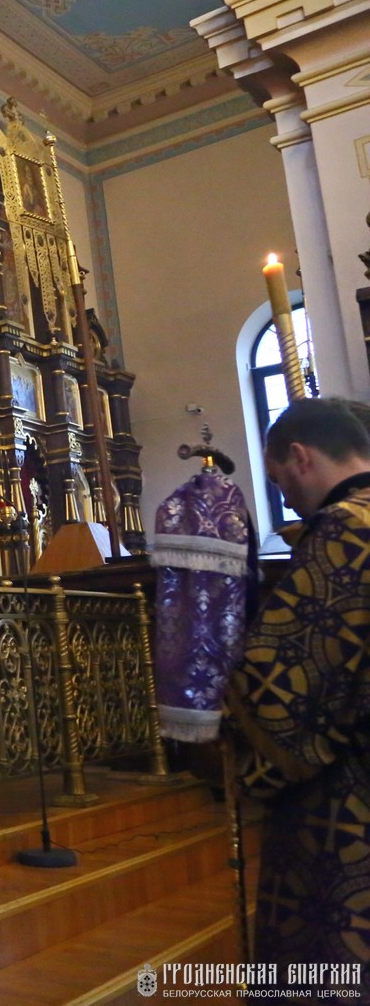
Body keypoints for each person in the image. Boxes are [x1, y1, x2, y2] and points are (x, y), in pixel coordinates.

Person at [227, 398, 370, 986]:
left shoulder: (344, 529)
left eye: (281, 479)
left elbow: (282, 673)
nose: (285, 496)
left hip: (350, 794)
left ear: (300, 456)